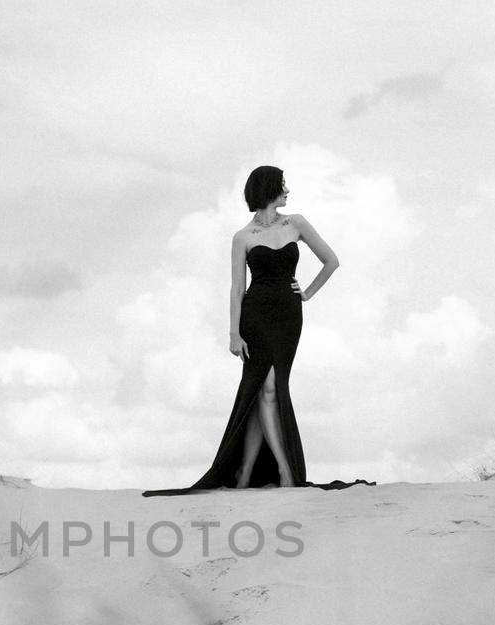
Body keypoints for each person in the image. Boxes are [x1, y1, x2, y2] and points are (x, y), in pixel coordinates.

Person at [142, 165, 374, 496]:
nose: (288, 190)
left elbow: (331, 261)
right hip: (255, 317)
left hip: (288, 317)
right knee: (263, 390)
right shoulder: (242, 237)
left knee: (266, 391)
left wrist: (306, 293)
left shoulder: (296, 223)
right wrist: (233, 334)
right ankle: (283, 470)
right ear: (267, 190)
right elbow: (237, 289)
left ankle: (247, 471)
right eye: (282, 185)